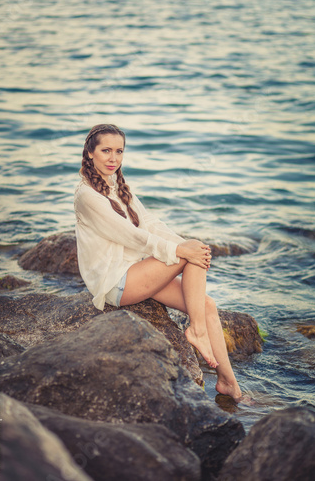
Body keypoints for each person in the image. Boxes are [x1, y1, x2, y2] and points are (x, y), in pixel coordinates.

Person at [74, 123, 242, 401]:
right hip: (115, 282)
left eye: (119, 151)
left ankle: (228, 383)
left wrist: (184, 244)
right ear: (90, 153)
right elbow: (133, 236)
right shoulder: (87, 196)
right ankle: (197, 332)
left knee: (206, 303)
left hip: (136, 272)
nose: (113, 158)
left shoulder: (116, 184)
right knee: (188, 254)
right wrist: (181, 251)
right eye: (106, 151)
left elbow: (150, 223)